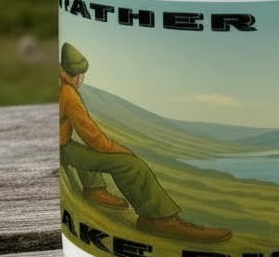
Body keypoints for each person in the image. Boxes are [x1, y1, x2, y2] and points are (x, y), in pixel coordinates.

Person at [59, 43, 231, 243]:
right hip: (64, 148)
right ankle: (157, 219)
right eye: (82, 75)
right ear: (77, 75)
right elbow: (92, 135)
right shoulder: (68, 94)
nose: (83, 79)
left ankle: (94, 188)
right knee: (132, 165)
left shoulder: (61, 85)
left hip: (64, 144)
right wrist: (120, 151)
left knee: (89, 152)